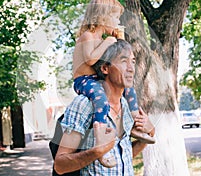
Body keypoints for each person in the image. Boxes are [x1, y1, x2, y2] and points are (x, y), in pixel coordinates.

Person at [72, 0, 155, 167]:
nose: (118, 21)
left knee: (129, 89)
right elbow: (90, 60)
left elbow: (122, 53)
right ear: (102, 16)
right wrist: (108, 41)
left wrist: (119, 38)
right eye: (115, 17)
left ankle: (134, 125)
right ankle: (100, 139)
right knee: (101, 99)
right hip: (84, 80)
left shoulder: (104, 38)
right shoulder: (88, 36)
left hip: (97, 80)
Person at [54, 39, 155, 175]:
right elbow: (60, 165)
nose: (131, 68)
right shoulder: (85, 104)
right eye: (124, 61)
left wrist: (147, 136)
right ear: (105, 68)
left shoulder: (125, 104)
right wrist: (97, 152)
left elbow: (122, 158)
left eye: (133, 61)